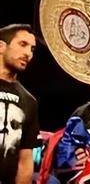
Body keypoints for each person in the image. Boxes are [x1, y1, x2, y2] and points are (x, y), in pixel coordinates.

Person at [0, 24, 39, 184]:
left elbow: (25, 160)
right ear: (1, 46)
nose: (28, 53)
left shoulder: (29, 101)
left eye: (32, 49)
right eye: (23, 44)